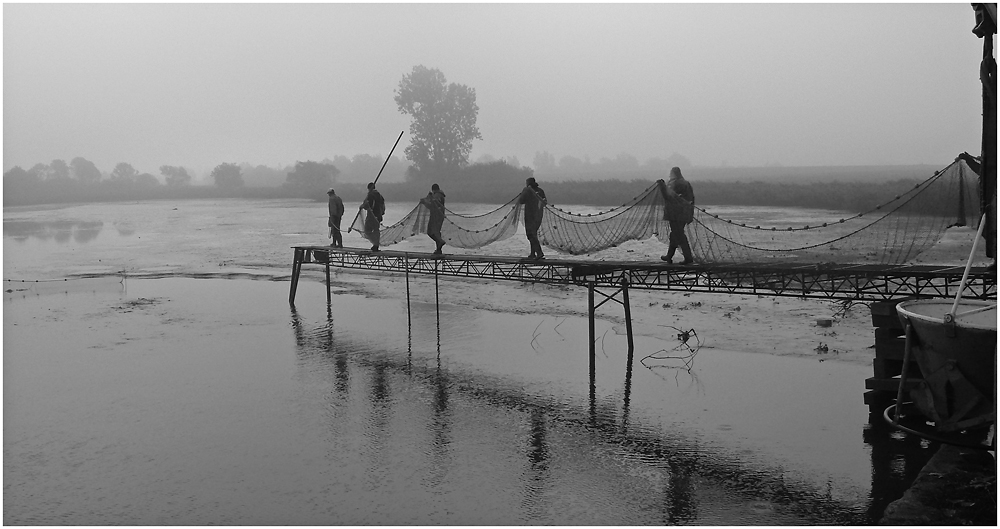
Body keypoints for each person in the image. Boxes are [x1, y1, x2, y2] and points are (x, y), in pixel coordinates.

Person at [659, 167, 695, 265]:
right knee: (675, 234)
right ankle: (669, 256)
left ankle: (688, 257)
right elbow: (691, 198)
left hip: (675, 214)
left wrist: (662, 186)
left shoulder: (675, 184)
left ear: (674, 173)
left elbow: (669, 197)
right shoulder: (686, 183)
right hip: (684, 213)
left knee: (678, 234)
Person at [518, 177, 547, 260]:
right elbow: (545, 202)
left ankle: (539, 253)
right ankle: (532, 253)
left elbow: (521, 201)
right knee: (533, 234)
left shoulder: (527, 191)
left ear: (528, 183)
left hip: (530, 215)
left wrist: (524, 192)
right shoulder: (540, 191)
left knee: (530, 234)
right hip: (538, 216)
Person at [419, 183, 447, 255]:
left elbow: (433, 206)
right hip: (440, 216)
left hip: (436, 216)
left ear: (433, 190)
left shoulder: (437, 196)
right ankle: (438, 250)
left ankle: (440, 242)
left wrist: (424, 202)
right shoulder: (440, 195)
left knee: (430, 232)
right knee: (437, 232)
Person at [360, 182, 385, 251]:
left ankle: (375, 244)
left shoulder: (371, 195)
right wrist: (382, 213)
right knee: (376, 230)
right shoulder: (379, 195)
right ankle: (376, 245)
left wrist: (362, 206)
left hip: (372, 215)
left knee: (367, 230)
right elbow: (383, 205)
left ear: (369, 188)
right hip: (378, 215)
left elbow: (368, 205)